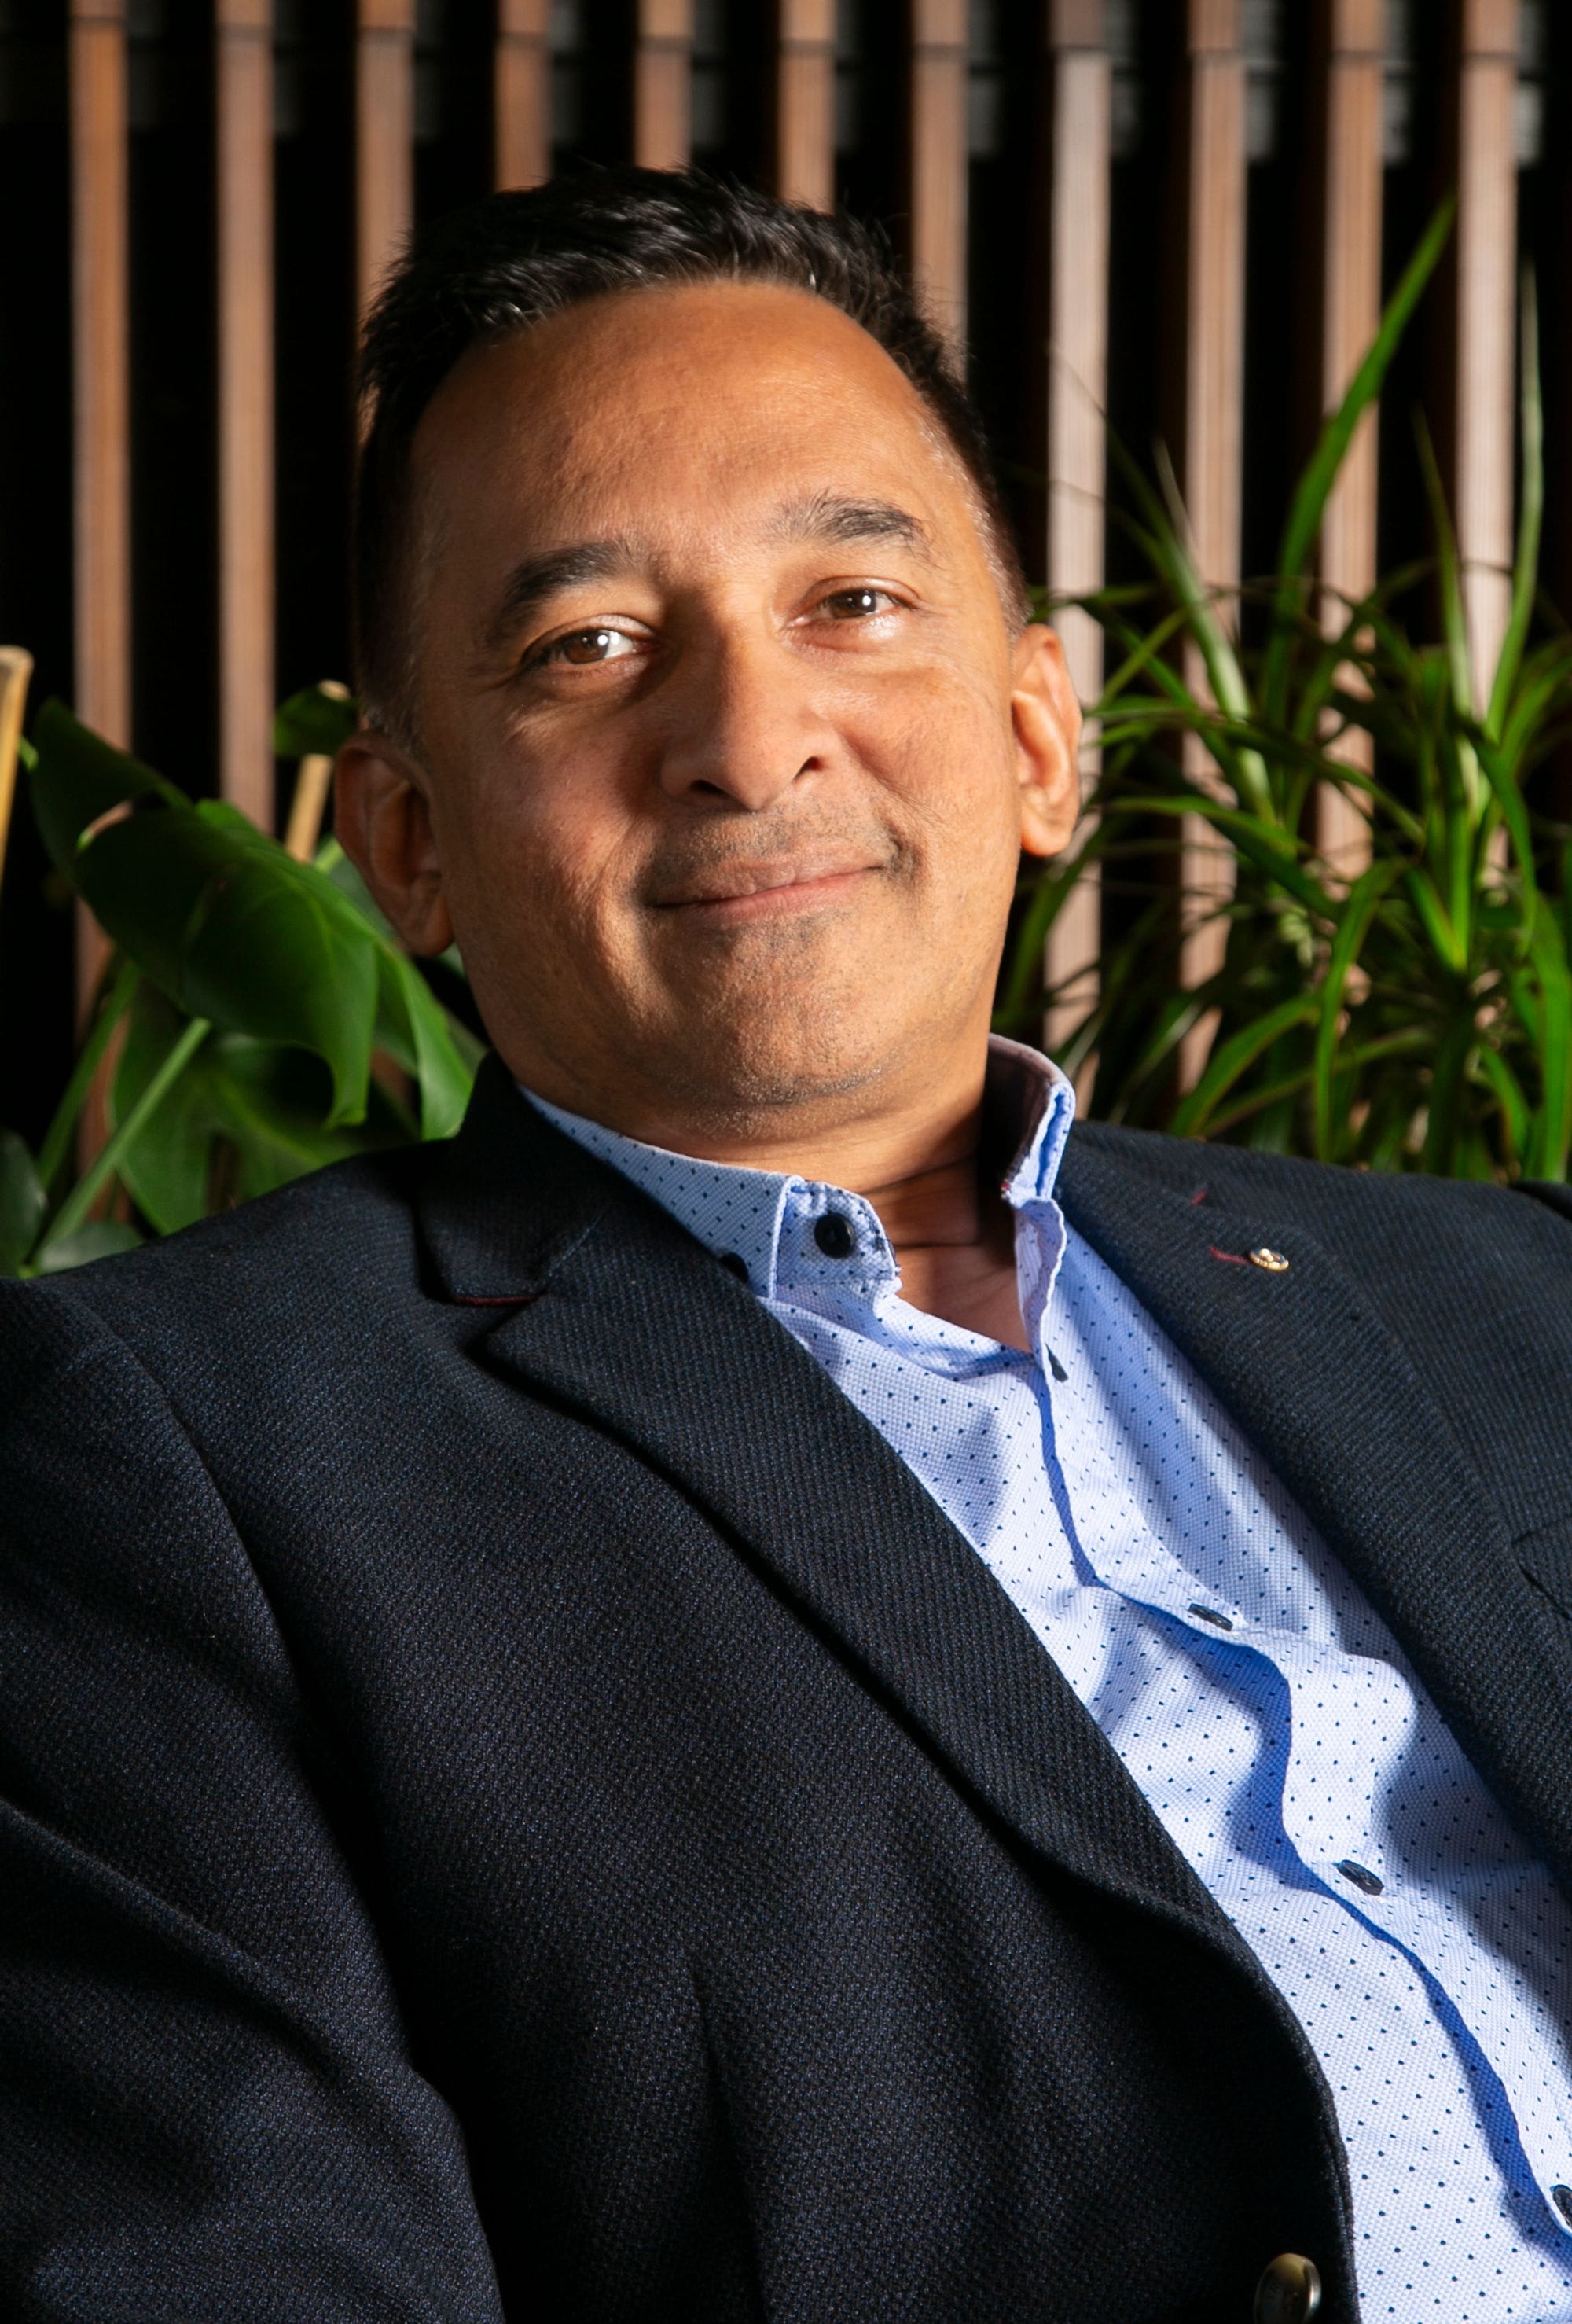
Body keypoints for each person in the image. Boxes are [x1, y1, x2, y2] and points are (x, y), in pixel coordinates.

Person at [3, 168, 1571, 2324]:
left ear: (1035, 735)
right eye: (591, 648)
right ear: (406, 841)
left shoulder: (1517, 1291)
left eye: (851, 600)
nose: (749, 744)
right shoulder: (169, 1466)